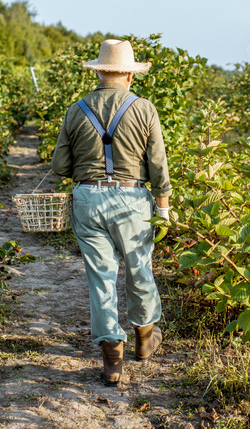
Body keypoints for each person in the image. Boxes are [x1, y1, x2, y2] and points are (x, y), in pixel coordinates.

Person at [50, 39, 171, 386]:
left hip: (88, 199)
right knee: (139, 268)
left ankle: (112, 358)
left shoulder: (77, 109)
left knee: (101, 276)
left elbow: (60, 165)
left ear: (100, 72)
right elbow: (158, 164)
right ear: (129, 77)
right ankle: (145, 339)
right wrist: (162, 206)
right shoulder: (144, 108)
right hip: (133, 199)